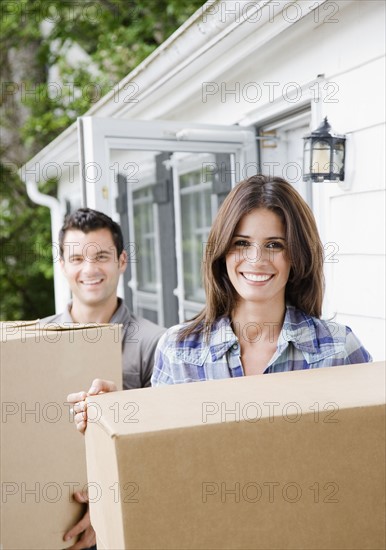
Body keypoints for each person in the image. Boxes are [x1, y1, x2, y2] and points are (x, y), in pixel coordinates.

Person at [151, 174, 371, 384]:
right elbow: (157, 422)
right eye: (242, 243)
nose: (256, 260)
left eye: (275, 245)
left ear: (297, 256)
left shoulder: (339, 348)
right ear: (222, 251)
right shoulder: (177, 349)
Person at [41, 207, 164, 550]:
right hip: (42, 515)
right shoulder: (34, 341)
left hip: (129, 517)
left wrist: (107, 509)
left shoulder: (156, 343)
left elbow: (165, 447)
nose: (90, 269)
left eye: (102, 257)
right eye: (76, 257)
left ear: (122, 261)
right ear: (62, 264)